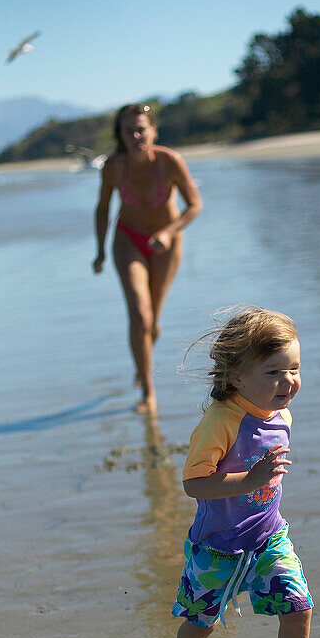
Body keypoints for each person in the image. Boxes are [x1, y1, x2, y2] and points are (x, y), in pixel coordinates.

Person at [166, 307, 320, 638]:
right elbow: (194, 484)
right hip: (216, 547)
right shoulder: (221, 422)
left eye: (294, 368)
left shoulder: (280, 414)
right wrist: (249, 481)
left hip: (268, 537)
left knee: (299, 606)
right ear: (236, 376)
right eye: (273, 372)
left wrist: (258, 485)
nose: (288, 381)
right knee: (202, 624)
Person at [93, 103, 202, 414]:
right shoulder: (113, 167)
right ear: (121, 135)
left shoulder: (169, 162)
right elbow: (102, 209)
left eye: (141, 128)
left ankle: (144, 358)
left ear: (154, 130)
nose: (136, 135)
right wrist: (100, 251)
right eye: (129, 130)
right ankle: (148, 391)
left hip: (166, 243)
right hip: (128, 239)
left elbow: (194, 205)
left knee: (152, 321)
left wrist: (169, 232)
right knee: (140, 316)